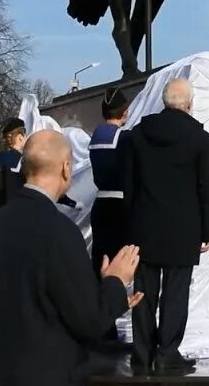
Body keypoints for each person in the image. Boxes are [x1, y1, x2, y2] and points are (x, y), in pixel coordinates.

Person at [0, 129, 143, 386]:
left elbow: (35, 293)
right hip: (43, 374)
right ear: (65, 168)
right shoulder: (59, 230)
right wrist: (115, 282)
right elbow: (89, 321)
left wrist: (109, 294)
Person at [122, 78, 209, 375]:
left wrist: (130, 226)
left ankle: (142, 354)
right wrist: (207, 230)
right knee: (176, 294)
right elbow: (207, 188)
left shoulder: (136, 136)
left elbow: (128, 185)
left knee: (144, 293)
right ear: (189, 104)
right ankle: (167, 353)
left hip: (143, 228)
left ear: (164, 102)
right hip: (183, 230)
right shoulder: (200, 139)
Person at [90, 88, 131, 275]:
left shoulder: (96, 136)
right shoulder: (124, 138)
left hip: (100, 205)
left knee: (99, 260)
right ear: (124, 112)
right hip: (120, 207)